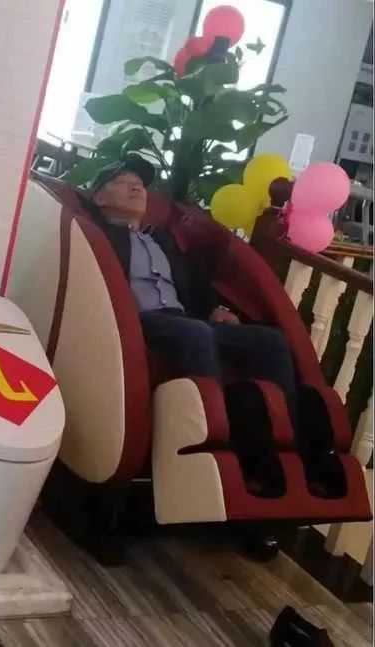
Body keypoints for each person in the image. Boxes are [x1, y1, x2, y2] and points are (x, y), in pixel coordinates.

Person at [86, 155, 300, 498]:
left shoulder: (162, 240)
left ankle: (281, 450)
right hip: (138, 321)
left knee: (269, 341)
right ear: (99, 197)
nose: (136, 187)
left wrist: (215, 308)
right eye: (122, 181)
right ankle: (214, 444)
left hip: (183, 319)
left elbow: (194, 283)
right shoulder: (97, 238)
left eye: (139, 183)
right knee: (196, 334)